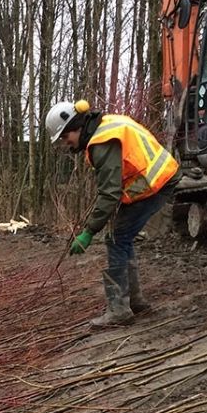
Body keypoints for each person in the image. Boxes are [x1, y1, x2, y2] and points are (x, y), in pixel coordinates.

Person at [45, 100, 182, 326]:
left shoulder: (101, 141)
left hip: (156, 183)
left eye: (64, 137)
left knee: (116, 239)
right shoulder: (106, 125)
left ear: (76, 127)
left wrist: (88, 232)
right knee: (122, 238)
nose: (66, 143)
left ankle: (119, 310)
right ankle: (135, 302)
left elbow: (109, 194)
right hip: (160, 178)